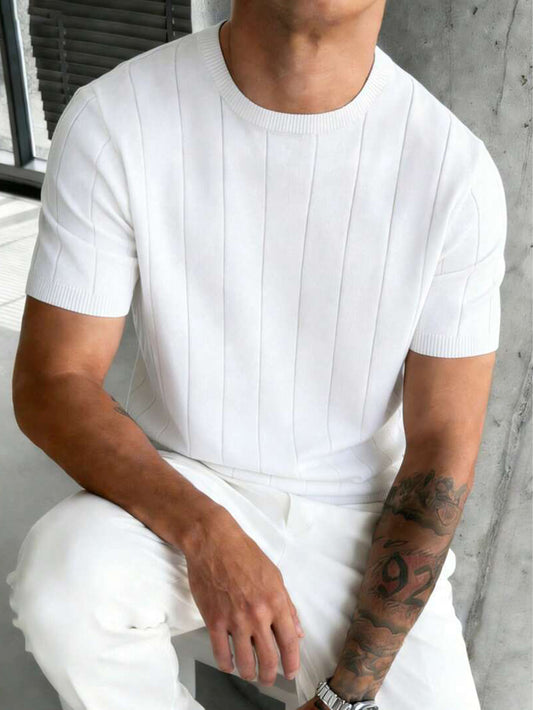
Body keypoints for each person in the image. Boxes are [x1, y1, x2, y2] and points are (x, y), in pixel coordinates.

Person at [7, 1, 507, 709]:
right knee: (64, 586)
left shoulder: (454, 173)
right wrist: (206, 532)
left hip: (358, 519)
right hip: (183, 479)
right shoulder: (117, 117)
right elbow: (54, 379)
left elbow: (440, 449)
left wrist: (346, 697)